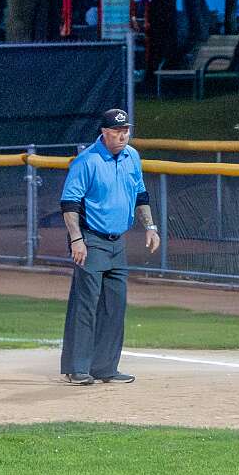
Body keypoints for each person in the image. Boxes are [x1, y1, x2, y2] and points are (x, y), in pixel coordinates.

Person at [58, 108, 160, 385]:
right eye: (117, 131)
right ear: (104, 132)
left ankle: (105, 367)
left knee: (115, 305)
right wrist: (76, 239)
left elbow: (140, 194)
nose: (122, 135)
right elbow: (69, 203)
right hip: (91, 239)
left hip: (117, 242)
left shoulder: (132, 156)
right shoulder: (87, 161)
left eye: (126, 130)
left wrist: (150, 227)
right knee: (86, 304)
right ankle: (77, 368)